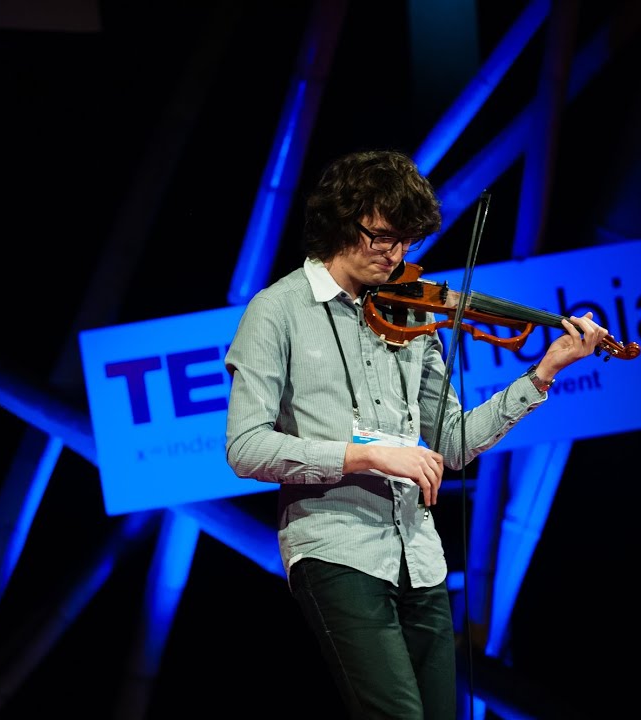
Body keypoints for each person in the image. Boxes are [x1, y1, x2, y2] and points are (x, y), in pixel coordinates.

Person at [223, 149, 609, 719]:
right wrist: (365, 456)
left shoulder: (409, 313)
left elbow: (451, 442)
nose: (396, 254)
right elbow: (246, 447)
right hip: (334, 548)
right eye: (382, 237)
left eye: (406, 241)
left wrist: (543, 373)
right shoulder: (276, 311)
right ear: (340, 219)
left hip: (419, 555)